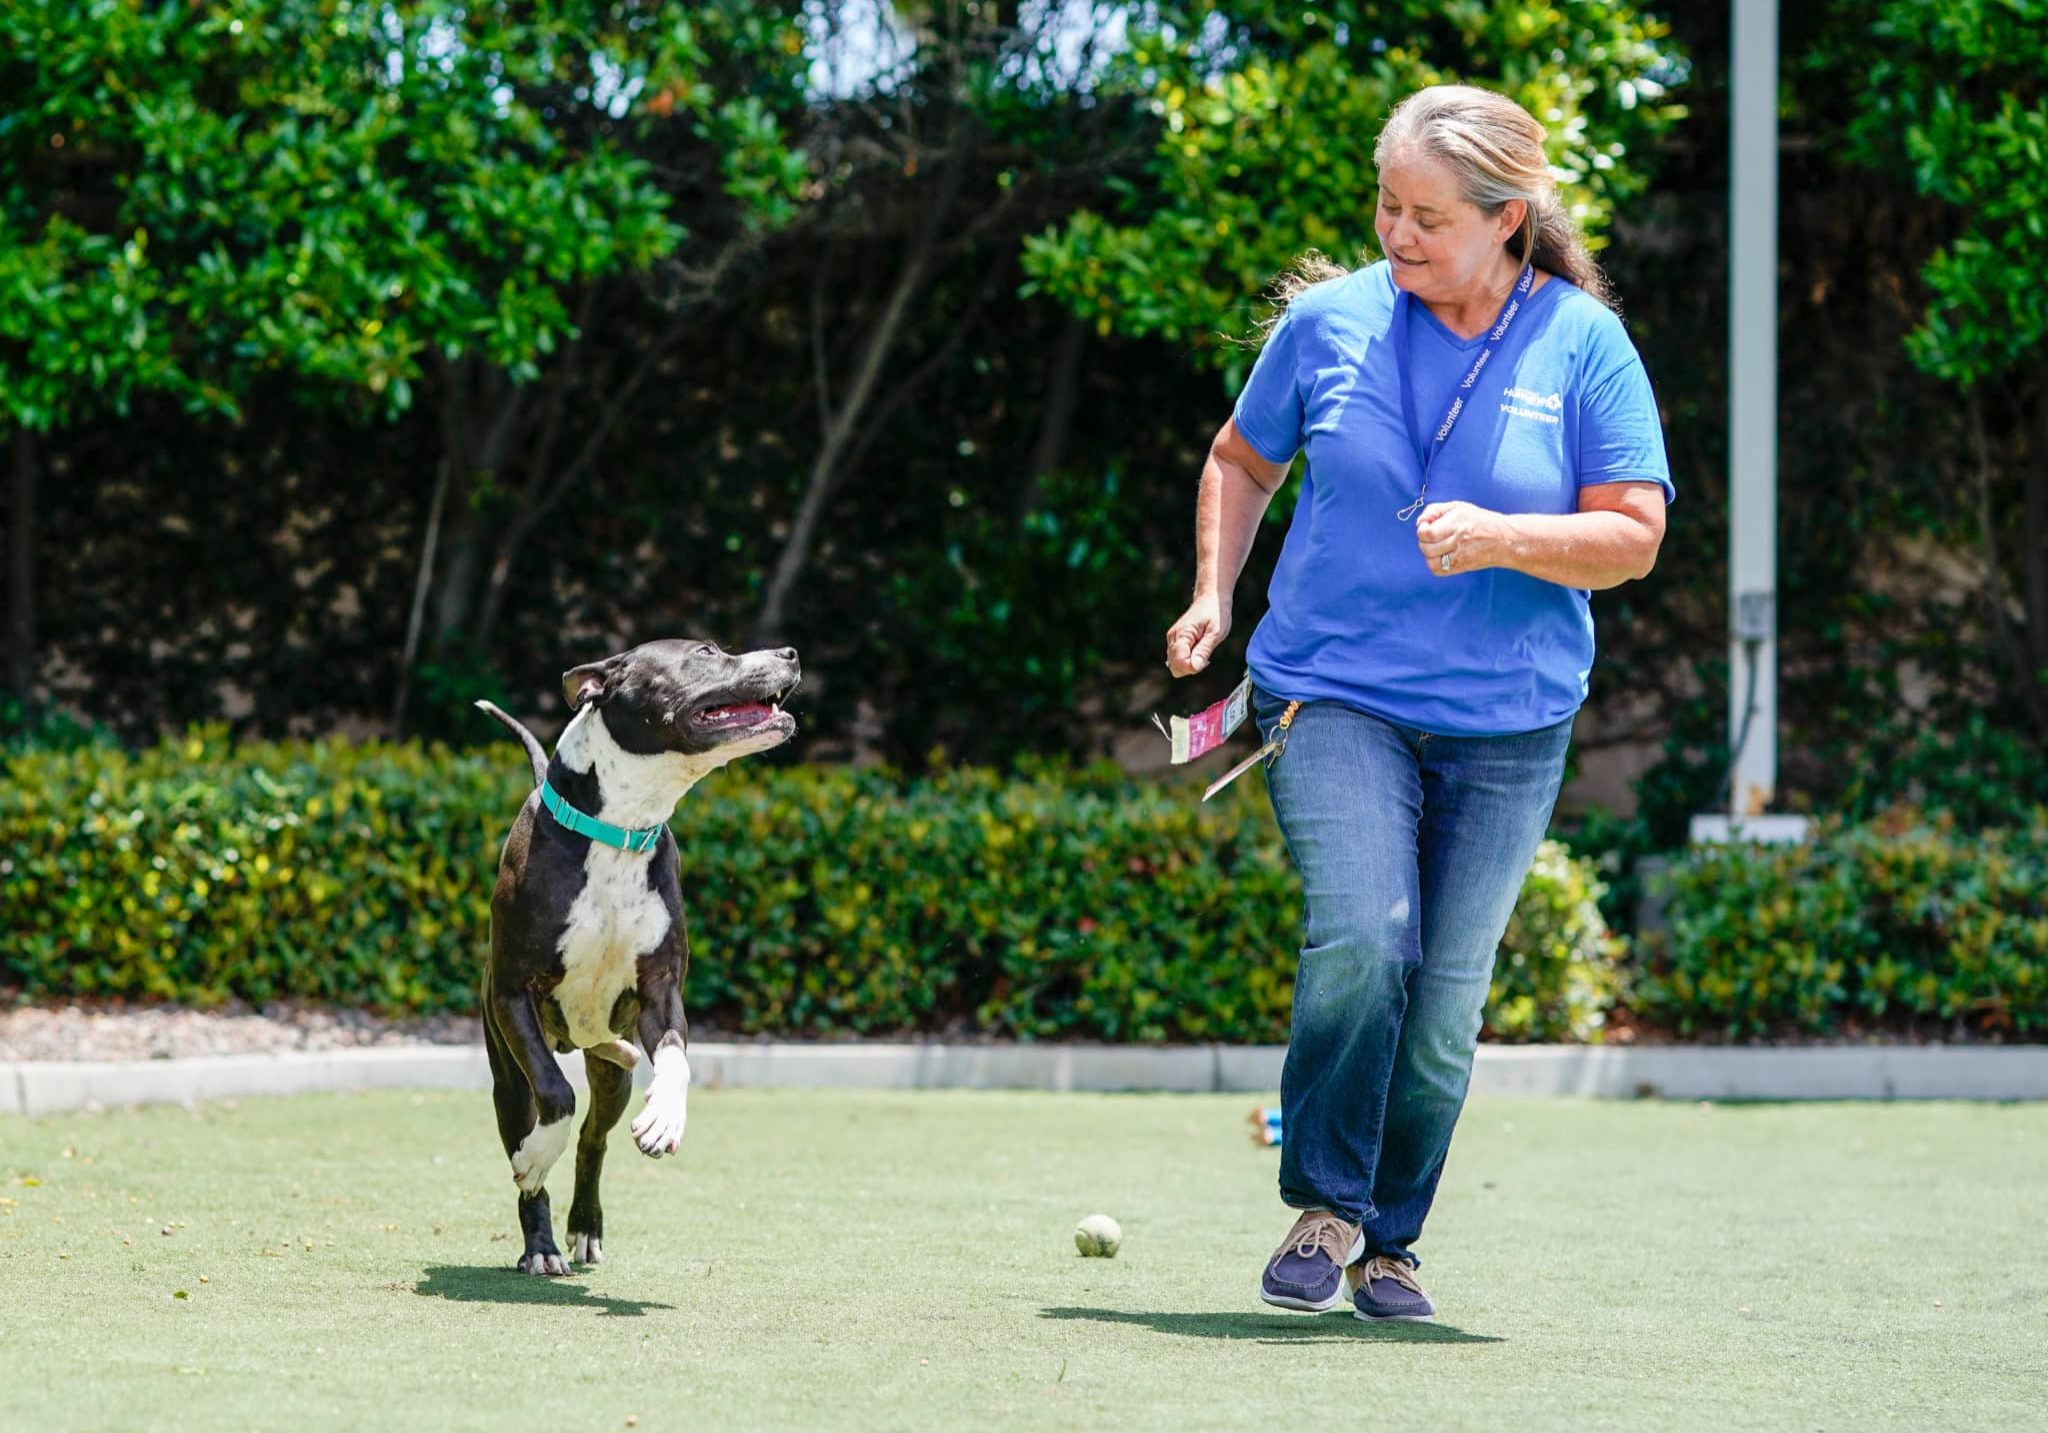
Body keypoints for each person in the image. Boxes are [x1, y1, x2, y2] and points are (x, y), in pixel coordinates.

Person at [1164, 84, 1673, 1323]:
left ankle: (1390, 1241)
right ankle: (1325, 1205)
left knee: (1444, 993)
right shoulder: (1330, 321)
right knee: (1363, 928)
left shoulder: (1580, 343)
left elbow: (1634, 535)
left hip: (1509, 720)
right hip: (1330, 690)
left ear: (1506, 219)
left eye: (1426, 216)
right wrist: (1212, 595)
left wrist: (1504, 534)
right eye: (1385, 205)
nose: (1395, 233)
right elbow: (1242, 458)